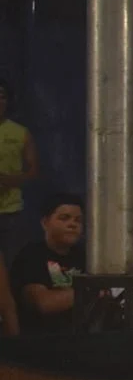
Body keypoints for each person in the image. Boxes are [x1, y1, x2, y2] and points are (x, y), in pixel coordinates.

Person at [10, 192, 87, 334]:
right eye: (64, 218)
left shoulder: (85, 256)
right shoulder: (31, 255)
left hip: (82, 341)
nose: (72, 224)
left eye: (78, 220)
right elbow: (43, 303)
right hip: (41, 344)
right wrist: (94, 292)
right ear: (45, 222)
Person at [0, 78, 40, 259]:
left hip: (10, 213)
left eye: (1, 96)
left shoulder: (20, 132)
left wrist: (10, 180)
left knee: (9, 263)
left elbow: (33, 172)